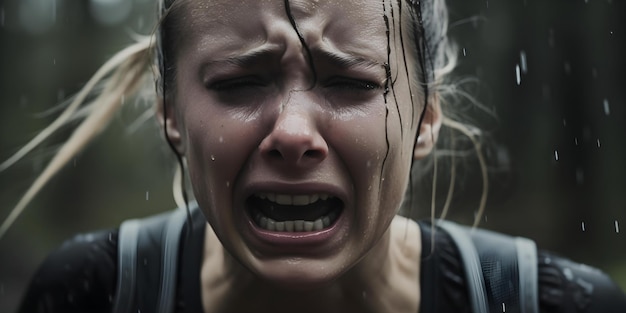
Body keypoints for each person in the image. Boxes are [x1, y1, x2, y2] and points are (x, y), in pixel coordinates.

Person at [5, 0, 625, 312]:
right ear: (169, 112)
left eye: (351, 82)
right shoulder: (94, 295)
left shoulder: (548, 304)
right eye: (239, 82)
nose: (294, 134)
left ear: (425, 117)